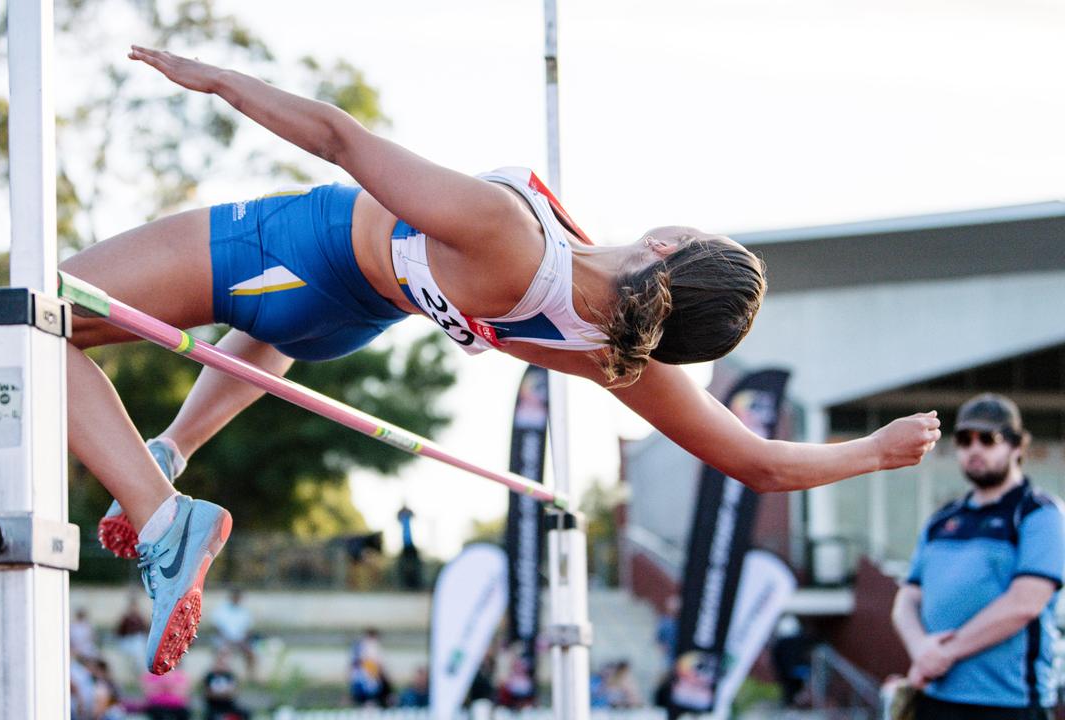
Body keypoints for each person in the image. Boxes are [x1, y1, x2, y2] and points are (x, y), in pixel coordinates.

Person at [60, 44, 944, 675]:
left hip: (301, 248)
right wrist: (877, 452)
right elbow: (756, 463)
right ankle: (169, 450)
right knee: (215, 335)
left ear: (674, 241)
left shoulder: (513, 236)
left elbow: (339, 138)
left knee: (33, 320)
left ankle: (162, 512)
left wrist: (217, 79)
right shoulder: (614, 354)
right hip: (344, 316)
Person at [891, 394, 1064, 720]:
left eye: (988, 438)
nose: (975, 448)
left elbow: (1024, 604)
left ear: (1016, 447)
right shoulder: (942, 520)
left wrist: (944, 653)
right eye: (964, 439)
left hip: (1009, 705)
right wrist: (920, 649)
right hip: (936, 697)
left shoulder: (1038, 513)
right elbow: (907, 599)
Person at [209, 589, 255, 681]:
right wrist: (228, 639)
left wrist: (242, 640)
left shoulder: (244, 611)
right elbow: (216, 627)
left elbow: (248, 629)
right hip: (223, 640)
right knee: (224, 653)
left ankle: (250, 677)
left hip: (239, 641)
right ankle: (221, 677)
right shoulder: (221, 610)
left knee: (251, 653)